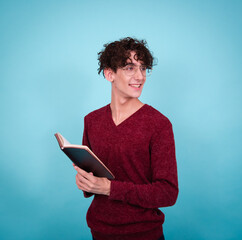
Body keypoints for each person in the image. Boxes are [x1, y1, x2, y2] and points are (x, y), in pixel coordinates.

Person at [73, 37, 178, 240]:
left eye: (143, 68)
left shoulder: (159, 124)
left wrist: (110, 188)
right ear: (109, 74)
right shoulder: (92, 120)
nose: (140, 76)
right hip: (99, 230)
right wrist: (85, 182)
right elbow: (94, 179)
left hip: (144, 233)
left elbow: (168, 192)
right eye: (130, 68)